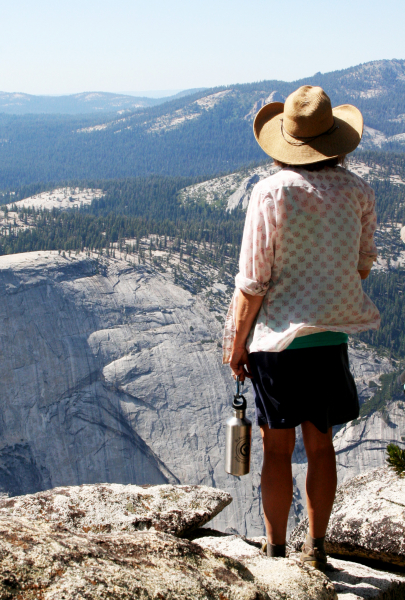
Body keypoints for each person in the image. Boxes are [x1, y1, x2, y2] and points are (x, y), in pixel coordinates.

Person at [222, 85, 380, 571]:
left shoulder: (269, 192)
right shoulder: (358, 190)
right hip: (330, 337)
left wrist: (237, 343)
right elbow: (362, 264)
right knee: (320, 443)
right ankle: (317, 545)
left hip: (277, 340)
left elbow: (252, 281)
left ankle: (273, 549)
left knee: (276, 447)